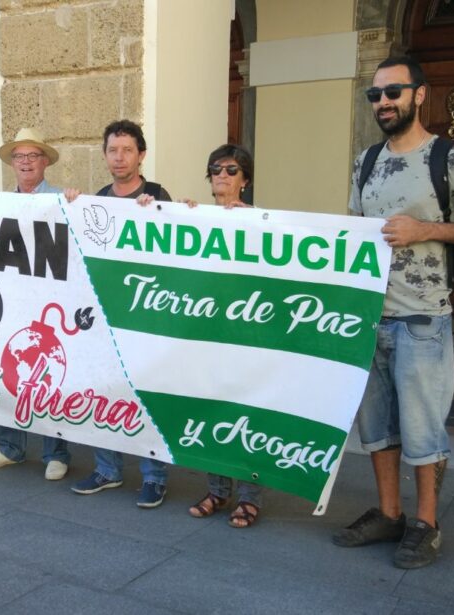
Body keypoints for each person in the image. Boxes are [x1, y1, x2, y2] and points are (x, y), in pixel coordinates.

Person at [332, 56, 454, 568]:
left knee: (422, 429)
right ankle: (389, 514)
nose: (383, 103)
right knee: (378, 428)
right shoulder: (364, 161)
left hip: (422, 321)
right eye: (376, 95)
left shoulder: (450, 158)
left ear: (419, 95)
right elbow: (353, 235)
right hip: (370, 318)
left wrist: (425, 228)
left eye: (394, 92)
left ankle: (426, 524)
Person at [71, 120, 172, 508]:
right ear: (105, 155)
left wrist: (163, 212)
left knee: (146, 396)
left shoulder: (160, 195)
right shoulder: (95, 199)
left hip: (146, 317)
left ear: (141, 155)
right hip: (105, 314)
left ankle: (154, 476)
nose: (119, 157)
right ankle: (107, 470)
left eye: (127, 150)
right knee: (102, 391)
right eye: (113, 150)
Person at [0, 128, 77, 480]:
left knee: (50, 373)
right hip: (11, 303)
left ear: (45, 162)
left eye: (33, 156)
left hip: (49, 302)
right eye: (20, 157)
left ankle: (55, 453)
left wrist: (80, 204)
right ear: (12, 163)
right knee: (11, 370)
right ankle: (10, 448)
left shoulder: (63, 199)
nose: (26, 162)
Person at [176, 144, 264, 528]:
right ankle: (217, 490)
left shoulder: (263, 221)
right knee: (208, 409)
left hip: (245, 332)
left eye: (232, 170)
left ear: (245, 179)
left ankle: (249, 497)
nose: (223, 176)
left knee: (244, 413)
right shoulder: (195, 216)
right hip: (205, 331)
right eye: (216, 169)